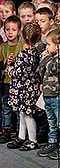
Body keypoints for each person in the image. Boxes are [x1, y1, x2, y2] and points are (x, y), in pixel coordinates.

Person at [36, 28, 60, 160]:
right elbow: (39, 70)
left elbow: (51, 68)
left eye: (49, 44)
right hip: (48, 95)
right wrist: (45, 59)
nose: (46, 47)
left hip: (58, 96)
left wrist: (45, 59)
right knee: (51, 122)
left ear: (58, 46)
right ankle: (53, 142)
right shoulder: (50, 58)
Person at [5, 23, 41, 151]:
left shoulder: (24, 54)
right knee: (22, 113)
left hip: (24, 90)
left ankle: (32, 140)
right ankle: (21, 136)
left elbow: (17, 73)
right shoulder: (35, 51)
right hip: (29, 88)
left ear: (23, 36)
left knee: (27, 115)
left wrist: (10, 67)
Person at [0, 16, 23, 144]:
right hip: (5, 83)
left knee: (18, 109)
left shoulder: (22, 46)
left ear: (19, 31)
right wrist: (5, 62)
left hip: (18, 83)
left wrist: (16, 61)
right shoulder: (2, 47)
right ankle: (6, 130)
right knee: (6, 107)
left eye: (13, 30)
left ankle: (20, 131)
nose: (10, 32)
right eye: (7, 29)